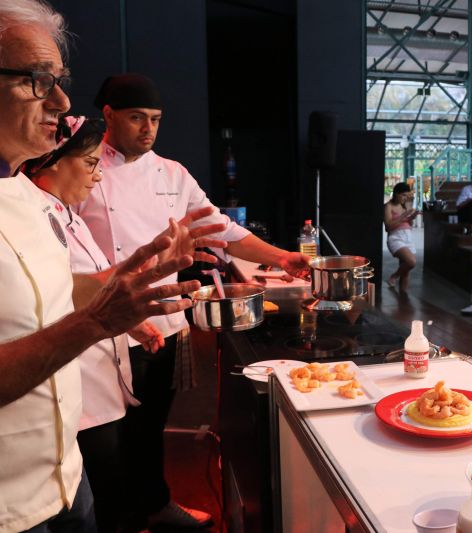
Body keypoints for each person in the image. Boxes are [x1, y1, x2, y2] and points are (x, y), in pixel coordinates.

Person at [0, 3, 225, 531]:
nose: (61, 100)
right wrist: (100, 319)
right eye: (38, 80)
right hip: (10, 505)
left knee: (137, 445)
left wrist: (112, 286)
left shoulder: (24, 199)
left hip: (61, 475)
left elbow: (47, 290)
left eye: (60, 80)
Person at [76, 73, 310, 530]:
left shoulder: (172, 173)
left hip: (162, 321)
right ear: (108, 116)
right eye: (137, 118)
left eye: (156, 120)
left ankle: (155, 505)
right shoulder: (84, 167)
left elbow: (222, 229)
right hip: (103, 324)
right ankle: (120, 521)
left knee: (151, 427)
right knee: (107, 438)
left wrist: (283, 256)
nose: (148, 129)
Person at [25, 115, 161, 532]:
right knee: (98, 499)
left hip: (99, 383)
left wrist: (130, 322)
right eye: (89, 164)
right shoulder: (28, 216)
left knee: (106, 489)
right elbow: (55, 292)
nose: (98, 176)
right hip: (73, 389)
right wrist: (138, 272)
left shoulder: (68, 214)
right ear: (50, 160)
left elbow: (88, 289)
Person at [384, 182, 417, 292]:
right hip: (396, 238)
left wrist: (411, 217)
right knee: (411, 262)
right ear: (396, 194)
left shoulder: (404, 206)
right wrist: (404, 215)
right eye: (403, 195)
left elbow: (409, 225)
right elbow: (388, 227)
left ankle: (403, 300)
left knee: (405, 272)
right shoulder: (388, 206)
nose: (405, 198)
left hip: (407, 237)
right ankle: (394, 276)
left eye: (407, 196)